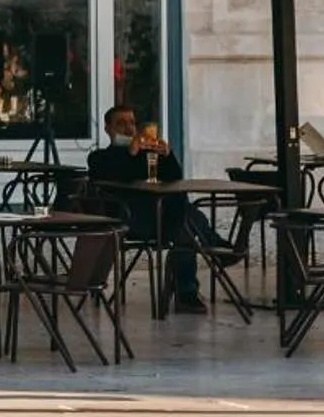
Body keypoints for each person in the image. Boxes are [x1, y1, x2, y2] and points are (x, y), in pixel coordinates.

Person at [87, 105, 225, 315]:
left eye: (132, 123)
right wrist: (130, 153)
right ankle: (208, 259)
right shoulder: (99, 157)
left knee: (183, 219)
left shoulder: (148, 155)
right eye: (121, 123)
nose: (128, 128)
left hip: (162, 217)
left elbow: (174, 178)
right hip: (129, 219)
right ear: (108, 128)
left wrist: (167, 154)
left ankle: (187, 293)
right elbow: (116, 177)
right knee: (185, 219)